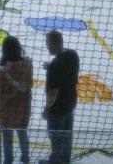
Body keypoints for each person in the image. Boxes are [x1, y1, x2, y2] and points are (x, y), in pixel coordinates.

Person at [42, 30, 79, 164]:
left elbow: (53, 92)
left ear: (54, 43)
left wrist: (47, 108)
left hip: (57, 109)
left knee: (56, 140)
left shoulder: (55, 67)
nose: (47, 46)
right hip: (70, 104)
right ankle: (64, 161)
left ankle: (54, 162)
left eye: (48, 43)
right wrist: (51, 65)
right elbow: (65, 70)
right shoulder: (73, 55)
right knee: (67, 138)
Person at [0, 36, 32, 164]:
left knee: (7, 139)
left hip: (6, 110)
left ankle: (8, 161)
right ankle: (25, 158)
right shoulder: (27, 65)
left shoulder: (2, 71)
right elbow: (29, 85)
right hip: (23, 108)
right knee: (22, 134)